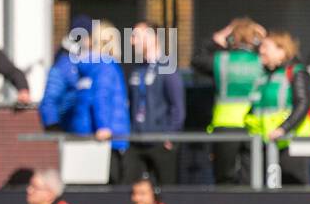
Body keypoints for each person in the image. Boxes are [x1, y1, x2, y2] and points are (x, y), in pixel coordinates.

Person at [191, 17, 265, 185]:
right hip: (254, 125)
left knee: (223, 179)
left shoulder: (221, 60)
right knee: (252, 179)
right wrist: (262, 38)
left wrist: (217, 37)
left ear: (230, 39)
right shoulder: (262, 61)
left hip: (224, 125)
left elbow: (196, 59)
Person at [246, 31, 310, 186]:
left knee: (295, 191)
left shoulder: (296, 72)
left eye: (266, 47)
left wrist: (283, 129)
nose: (261, 51)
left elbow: (303, 104)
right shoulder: (265, 76)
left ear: (282, 51)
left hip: (292, 143)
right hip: (267, 143)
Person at [123, 21, 185, 184]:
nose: (132, 41)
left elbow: (177, 106)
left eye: (136, 36)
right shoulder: (136, 69)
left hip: (160, 142)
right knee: (129, 186)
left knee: (166, 191)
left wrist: (170, 135)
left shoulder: (167, 67)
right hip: (136, 141)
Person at [81, 19, 130, 183]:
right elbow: (101, 97)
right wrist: (104, 127)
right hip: (111, 137)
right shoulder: (107, 66)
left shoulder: (93, 66)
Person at [39, 15, 93, 133]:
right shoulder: (65, 65)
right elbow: (49, 99)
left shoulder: (86, 61)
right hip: (70, 130)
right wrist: (53, 126)